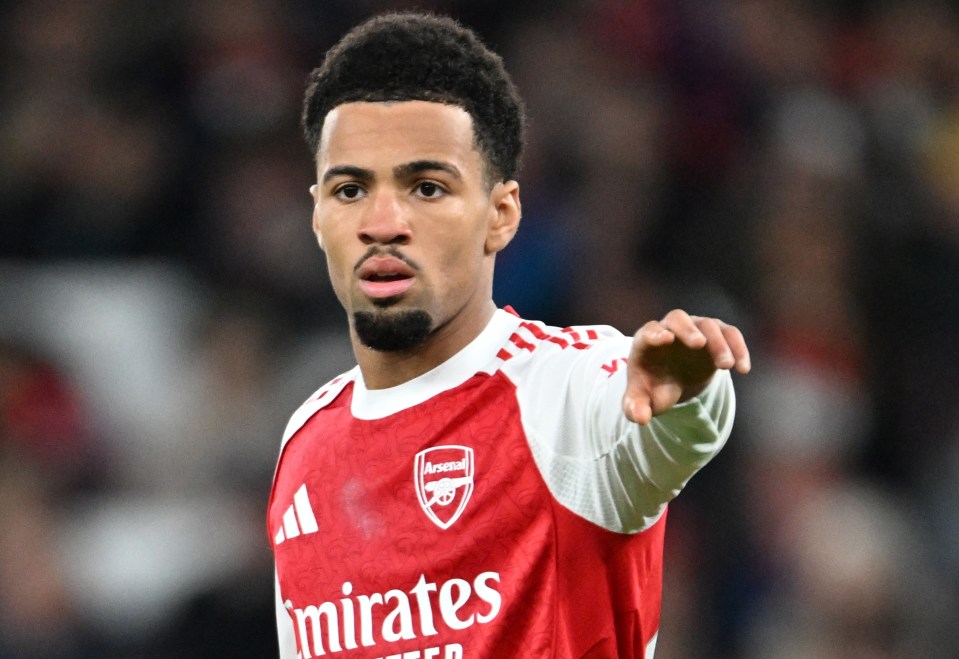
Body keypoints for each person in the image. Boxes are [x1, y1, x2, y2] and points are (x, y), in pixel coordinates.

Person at [268, 12, 750, 659]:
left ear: (500, 215)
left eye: (426, 187)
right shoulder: (306, 441)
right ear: (319, 217)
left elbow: (667, 420)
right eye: (350, 188)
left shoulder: (563, 391)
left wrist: (690, 389)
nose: (382, 221)